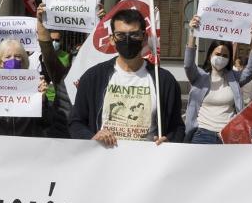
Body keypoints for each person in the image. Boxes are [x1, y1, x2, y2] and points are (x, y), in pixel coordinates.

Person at [68, 8, 183, 145]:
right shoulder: (93, 77)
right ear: (112, 39)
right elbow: (76, 122)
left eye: (134, 35)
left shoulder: (164, 80)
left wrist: (169, 140)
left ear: (144, 38)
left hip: (147, 161)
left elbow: (178, 127)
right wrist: (91, 137)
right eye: (121, 35)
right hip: (104, 160)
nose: (127, 40)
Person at [182, 16, 252, 144]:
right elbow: (188, 65)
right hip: (202, 135)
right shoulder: (199, 76)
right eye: (218, 54)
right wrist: (192, 33)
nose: (221, 58)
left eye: (225, 56)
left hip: (228, 135)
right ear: (209, 56)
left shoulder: (234, 78)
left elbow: (251, 70)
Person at [0, 39, 51, 137]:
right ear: (0, 62)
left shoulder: (34, 85)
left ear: (23, 60)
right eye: (8, 57)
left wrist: (42, 100)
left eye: (17, 56)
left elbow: (46, 123)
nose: (13, 60)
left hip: (25, 144)